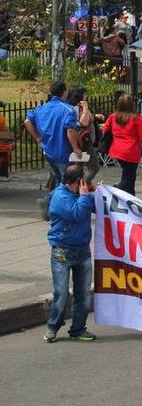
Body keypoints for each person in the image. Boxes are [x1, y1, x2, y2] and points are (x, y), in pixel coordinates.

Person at [43, 165, 96, 342]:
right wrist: (84, 196)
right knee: (62, 293)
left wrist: (98, 192)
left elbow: (94, 206)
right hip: (62, 252)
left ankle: (78, 328)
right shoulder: (59, 196)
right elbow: (77, 214)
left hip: (82, 250)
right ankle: (53, 326)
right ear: (78, 180)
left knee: (83, 293)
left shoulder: (81, 194)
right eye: (84, 180)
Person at [24, 81, 82, 191]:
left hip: (48, 151)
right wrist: (75, 148)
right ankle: (49, 202)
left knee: (57, 179)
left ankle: (50, 202)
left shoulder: (41, 108)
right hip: (62, 152)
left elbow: (27, 121)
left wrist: (37, 137)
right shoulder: (68, 109)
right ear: (64, 92)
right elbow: (70, 130)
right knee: (65, 182)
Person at [103, 94, 142, 196]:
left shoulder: (113, 116)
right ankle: (115, 190)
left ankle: (130, 196)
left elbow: (105, 129)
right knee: (129, 177)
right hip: (131, 151)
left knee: (129, 175)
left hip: (116, 150)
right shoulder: (136, 118)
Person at [66, 87, 100, 182]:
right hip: (84, 143)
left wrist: (94, 116)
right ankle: (80, 184)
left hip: (83, 142)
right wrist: (85, 108)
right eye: (85, 94)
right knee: (94, 167)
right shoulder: (78, 108)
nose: (86, 96)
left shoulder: (77, 108)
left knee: (78, 168)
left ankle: (77, 185)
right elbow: (83, 122)